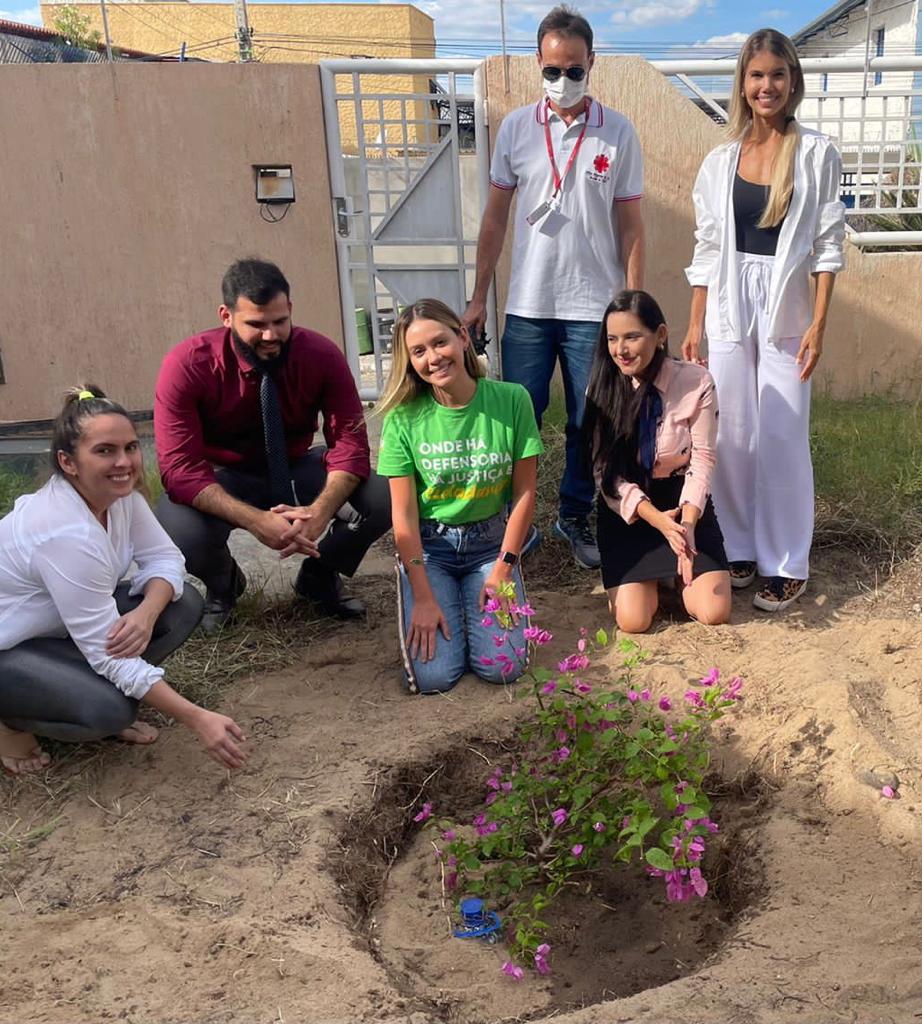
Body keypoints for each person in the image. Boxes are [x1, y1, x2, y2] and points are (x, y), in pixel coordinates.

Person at [462, 4, 645, 571]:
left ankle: (574, 514)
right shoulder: (516, 128)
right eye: (551, 70)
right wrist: (477, 298)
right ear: (536, 65)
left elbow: (631, 223)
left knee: (591, 421)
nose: (562, 81)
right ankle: (514, 527)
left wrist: (633, 308)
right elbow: (494, 220)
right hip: (529, 307)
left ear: (592, 63)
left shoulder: (618, 131)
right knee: (519, 420)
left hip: (596, 308)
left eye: (573, 69)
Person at [0, 388, 247, 775]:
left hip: (53, 631)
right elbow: (106, 655)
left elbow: (165, 559)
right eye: (104, 451)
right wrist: (197, 717)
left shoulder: (120, 497)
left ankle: (78, 690)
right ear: (68, 462)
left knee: (182, 606)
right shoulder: (62, 534)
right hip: (7, 648)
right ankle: (9, 721)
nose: (124, 462)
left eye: (130, 447)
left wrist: (146, 613)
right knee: (109, 711)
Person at [682, 28, 845, 613]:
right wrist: (696, 320)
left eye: (777, 74)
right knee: (732, 432)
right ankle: (741, 546)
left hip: (786, 308)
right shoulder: (721, 160)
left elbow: (828, 246)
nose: (766, 85)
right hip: (727, 303)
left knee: (780, 434)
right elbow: (705, 247)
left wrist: (819, 324)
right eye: (756, 76)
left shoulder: (816, 153)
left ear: (792, 81)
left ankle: (786, 560)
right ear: (742, 84)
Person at [154, 258, 391, 632]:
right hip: (226, 477)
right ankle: (224, 586)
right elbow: (179, 470)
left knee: (379, 497)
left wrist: (321, 510)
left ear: (291, 310)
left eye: (280, 322)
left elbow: (350, 445)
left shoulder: (321, 355)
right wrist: (256, 521)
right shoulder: (187, 365)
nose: (270, 336)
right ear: (226, 316)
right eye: (256, 325)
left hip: (296, 469)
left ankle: (319, 577)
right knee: (175, 525)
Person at [376, 299, 544, 694]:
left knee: (502, 666)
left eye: (440, 343)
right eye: (418, 351)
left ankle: (477, 603)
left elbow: (524, 493)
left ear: (463, 337)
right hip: (430, 549)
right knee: (434, 678)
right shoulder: (403, 419)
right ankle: (446, 604)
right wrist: (422, 594)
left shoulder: (512, 399)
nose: (433, 358)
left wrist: (503, 569)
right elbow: (403, 517)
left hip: (490, 547)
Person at [584, 291, 731, 634]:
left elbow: (704, 458)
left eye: (632, 337)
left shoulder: (696, 382)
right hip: (630, 509)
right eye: (612, 339)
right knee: (634, 620)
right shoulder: (602, 386)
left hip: (681, 503)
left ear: (661, 335)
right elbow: (605, 472)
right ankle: (656, 578)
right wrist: (656, 521)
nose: (621, 349)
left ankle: (675, 577)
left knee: (713, 611)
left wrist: (688, 524)